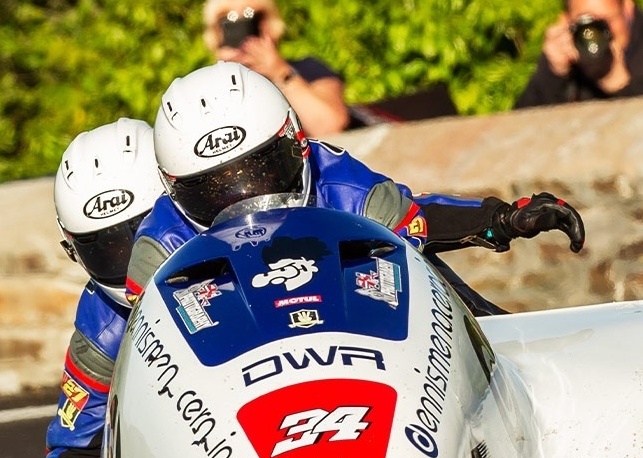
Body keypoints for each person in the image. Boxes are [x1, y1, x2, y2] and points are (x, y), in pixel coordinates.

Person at [126, 61, 584, 311]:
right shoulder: (158, 247)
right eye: (213, 192)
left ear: (297, 144)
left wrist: (502, 219)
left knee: (434, 277)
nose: (248, 202)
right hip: (233, 374)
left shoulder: (338, 178)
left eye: (262, 172)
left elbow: (415, 221)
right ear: (172, 190)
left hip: (353, 335)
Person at [41, 118, 165, 458]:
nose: (128, 259)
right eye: (105, 247)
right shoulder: (103, 320)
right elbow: (72, 445)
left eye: (141, 235)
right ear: (75, 251)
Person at [202, 0, 350, 136]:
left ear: (271, 23)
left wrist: (280, 73)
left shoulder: (308, 69)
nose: (242, 27)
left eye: (253, 16)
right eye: (226, 20)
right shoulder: (202, 89)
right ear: (215, 32)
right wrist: (224, 75)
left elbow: (329, 127)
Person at [515, 0, 643, 108]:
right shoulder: (569, 49)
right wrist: (553, 74)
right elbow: (520, 129)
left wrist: (619, 84)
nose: (594, 35)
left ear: (627, 9)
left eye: (605, 21)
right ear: (566, 20)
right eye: (587, 24)